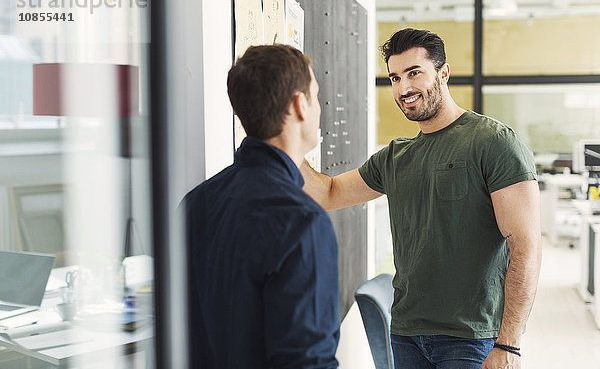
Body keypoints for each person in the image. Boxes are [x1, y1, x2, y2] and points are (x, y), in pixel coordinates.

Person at [300, 28, 542, 369]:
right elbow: (326, 193)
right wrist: (284, 140)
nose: (404, 89)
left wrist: (509, 345)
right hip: (405, 334)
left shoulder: (494, 143)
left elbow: (526, 247)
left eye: (414, 73)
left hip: (470, 339)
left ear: (443, 73)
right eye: (395, 77)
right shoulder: (396, 156)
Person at [184, 45, 339, 368]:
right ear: (299, 105)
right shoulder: (302, 221)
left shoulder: (195, 203)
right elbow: (307, 362)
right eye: (316, 96)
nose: (320, 109)